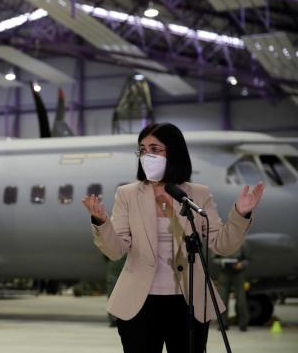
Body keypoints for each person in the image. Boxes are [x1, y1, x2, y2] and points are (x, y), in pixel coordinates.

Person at [82, 122, 264, 353]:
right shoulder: (127, 194)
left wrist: (241, 214)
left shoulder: (198, 194)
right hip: (139, 303)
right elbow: (115, 250)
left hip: (190, 302)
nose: (147, 154)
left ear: (174, 151)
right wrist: (101, 223)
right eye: (142, 149)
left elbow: (222, 245)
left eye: (155, 148)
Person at [215, 241, 250, 331]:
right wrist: (222, 261)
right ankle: (223, 324)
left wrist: (241, 264)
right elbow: (213, 258)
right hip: (225, 273)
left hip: (238, 273)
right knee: (222, 299)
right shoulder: (220, 242)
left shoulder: (242, 243)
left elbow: (247, 259)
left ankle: (243, 324)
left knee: (241, 299)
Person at [105, 253, 127, 327]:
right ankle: (118, 318)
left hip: (114, 265)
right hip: (125, 266)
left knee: (113, 295)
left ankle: (114, 319)